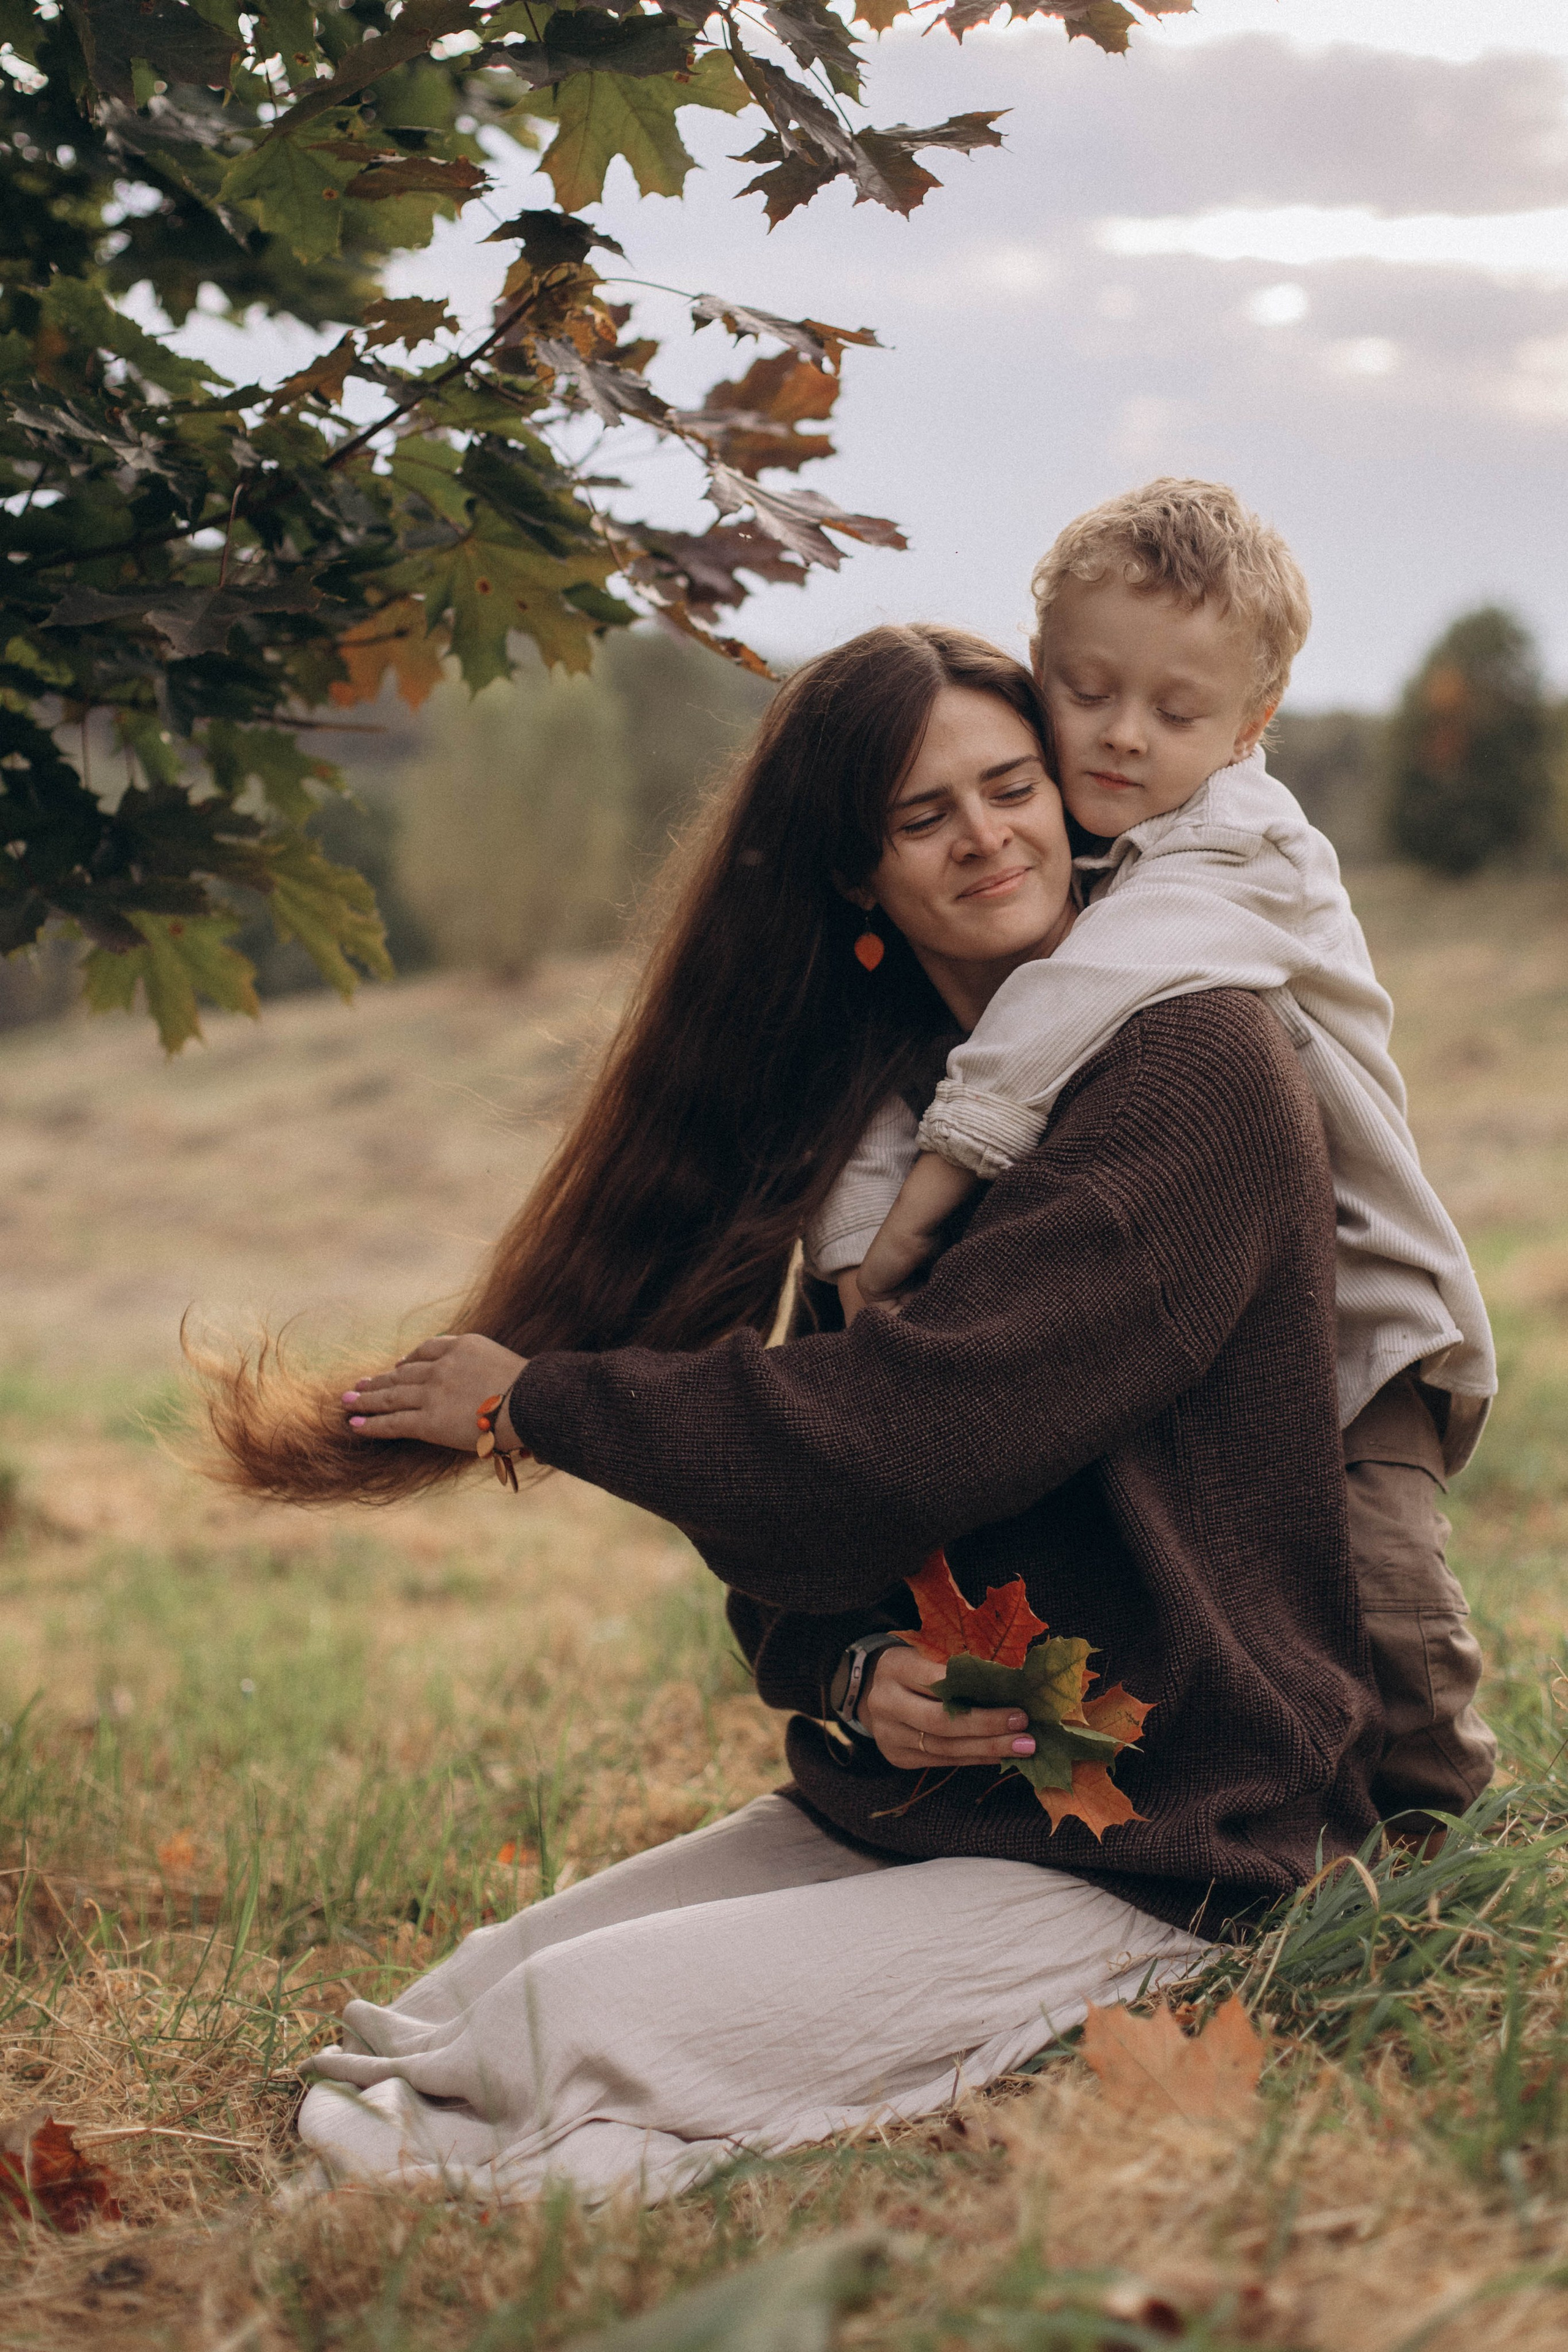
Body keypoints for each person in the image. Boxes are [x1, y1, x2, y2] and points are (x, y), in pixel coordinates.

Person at [206, 625, 1385, 2206]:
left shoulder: (1190, 1063)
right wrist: (848, 1667)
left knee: (556, 2034)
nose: (987, 837)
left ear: (1072, 798)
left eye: (1014, 785)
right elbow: (805, 1516)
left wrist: (549, 1403)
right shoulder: (893, 1114)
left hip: (1172, 1840)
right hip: (935, 1800)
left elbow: (914, 1427)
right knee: (453, 2003)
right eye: (922, 817)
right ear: (855, 875)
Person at [822, 483, 1496, 1828]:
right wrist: (848, 1249)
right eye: (1083, 690)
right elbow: (866, 1095)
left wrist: (919, 1215)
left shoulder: (1239, 859)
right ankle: (1286, 1810)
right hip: (1227, 1344)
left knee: (1382, 1609)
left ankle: (1443, 1837)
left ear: (1250, 728)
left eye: (1176, 714)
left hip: (1362, 1328)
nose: (1121, 735)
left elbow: (1052, 1020)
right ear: (1036, 668)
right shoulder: (1076, 847)